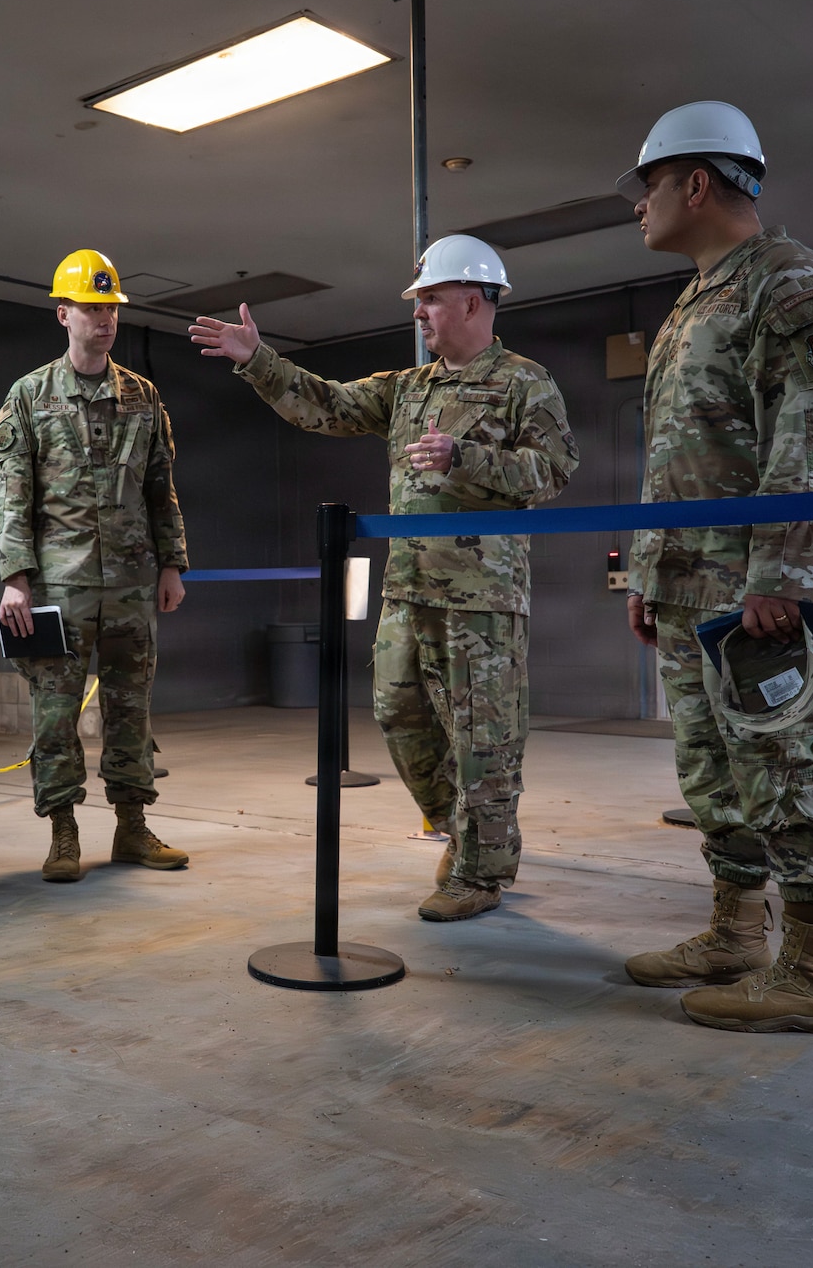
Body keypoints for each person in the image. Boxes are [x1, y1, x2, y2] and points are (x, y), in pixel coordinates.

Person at [189, 235, 577, 922]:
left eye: (429, 299)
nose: (421, 312)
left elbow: (552, 472)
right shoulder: (408, 389)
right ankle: (462, 830)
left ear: (472, 298)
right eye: (419, 301)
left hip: (482, 599)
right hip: (407, 591)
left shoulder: (524, 381)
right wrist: (258, 361)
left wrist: (467, 458)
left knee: (483, 738)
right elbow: (327, 404)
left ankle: (482, 872)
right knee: (399, 714)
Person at [615, 101, 813, 1033]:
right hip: (690, 587)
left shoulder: (793, 286)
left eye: (646, 186)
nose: (637, 206)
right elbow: (674, 454)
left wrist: (788, 580)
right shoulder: (695, 299)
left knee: (786, 762)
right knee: (713, 770)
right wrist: (649, 570)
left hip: (755, 592)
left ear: (695, 181)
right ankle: (734, 932)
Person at [0, 249, 189, 883]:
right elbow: (11, 491)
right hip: (58, 583)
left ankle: (132, 829)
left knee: (133, 709)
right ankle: (63, 833)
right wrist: (14, 578)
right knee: (55, 712)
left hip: (132, 584)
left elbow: (161, 487)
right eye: (90, 308)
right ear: (63, 314)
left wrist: (172, 565)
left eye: (110, 309)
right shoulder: (28, 396)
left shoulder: (142, 396)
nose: (103, 320)